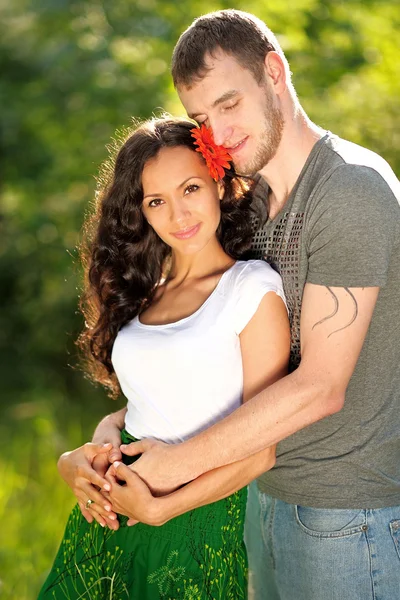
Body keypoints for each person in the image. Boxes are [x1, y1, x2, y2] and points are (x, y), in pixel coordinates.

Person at [67, 9, 400, 600]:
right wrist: (113, 433)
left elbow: (322, 386)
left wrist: (174, 468)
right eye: (201, 118)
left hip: (346, 513)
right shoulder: (258, 203)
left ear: (274, 72)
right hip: (263, 498)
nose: (217, 133)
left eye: (230, 104)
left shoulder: (349, 190)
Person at [38, 116, 290, 599]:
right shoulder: (147, 295)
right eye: (157, 201)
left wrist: (162, 510)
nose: (179, 214)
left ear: (218, 181)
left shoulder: (250, 289)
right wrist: (86, 451)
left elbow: (262, 447)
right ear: (142, 213)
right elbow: (152, 401)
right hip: (109, 520)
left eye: (190, 188)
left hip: (194, 521)